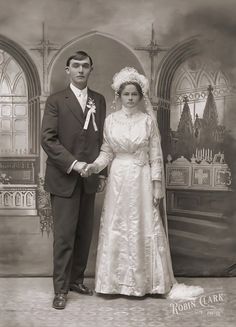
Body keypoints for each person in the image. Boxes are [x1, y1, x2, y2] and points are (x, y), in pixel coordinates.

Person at [83, 67, 204, 299]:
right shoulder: (110, 121)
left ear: (140, 97)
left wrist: (157, 183)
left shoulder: (147, 121)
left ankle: (146, 283)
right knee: (117, 225)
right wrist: (94, 167)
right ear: (118, 96)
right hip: (118, 178)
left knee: (143, 224)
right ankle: (114, 284)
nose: (130, 98)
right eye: (126, 94)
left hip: (141, 177)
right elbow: (106, 152)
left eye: (134, 94)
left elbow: (156, 154)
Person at [41, 51, 107, 309]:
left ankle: (76, 280)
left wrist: (101, 172)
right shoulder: (56, 101)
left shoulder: (99, 100)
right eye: (76, 66)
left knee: (84, 234)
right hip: (64, 177)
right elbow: (48, 139)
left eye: (85, 66)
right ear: (67, 70)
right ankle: (60, 289)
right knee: (64, 236)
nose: (81, 70)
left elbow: (102, 139)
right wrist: (74, 164)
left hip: (89, 178)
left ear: (91, 70)